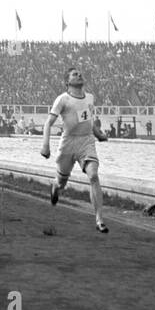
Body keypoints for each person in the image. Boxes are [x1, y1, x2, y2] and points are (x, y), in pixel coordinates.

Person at [40, 68, 110, 233]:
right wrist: (45, 145)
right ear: (67, 82)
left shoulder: (90, 98)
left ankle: (99, 220)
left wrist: (99, 135)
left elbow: (88, 121)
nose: (79, 75)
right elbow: (48, 123)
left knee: (93, 175)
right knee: (62, 182)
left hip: (86, 142)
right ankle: (55, 187)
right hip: (68, 143)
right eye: (74, 74)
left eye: (80, 73)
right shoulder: (63, 99)